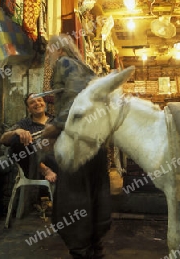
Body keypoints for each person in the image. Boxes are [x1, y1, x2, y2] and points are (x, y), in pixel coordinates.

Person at [45, 34, 111, 259]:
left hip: (77, 143)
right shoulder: (87, 69)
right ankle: (95, 249)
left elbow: (75, 99)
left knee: (74, 198)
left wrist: (57, 125)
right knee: (95, 195)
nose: (48, 55)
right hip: (96, 142)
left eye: (49, 51)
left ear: (58, 49)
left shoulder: (65, 64)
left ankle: (81, 251)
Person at [0, 92, 57, 183]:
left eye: (39, 100)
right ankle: (44, 169)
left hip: (55, 160)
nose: (37, 103)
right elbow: (3, 139)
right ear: (28, 108)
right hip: (33, 166)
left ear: (44, 103)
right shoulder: (24, 124)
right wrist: (17, 131)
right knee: (16, 139)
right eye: (32, 102)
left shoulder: (55, 121)